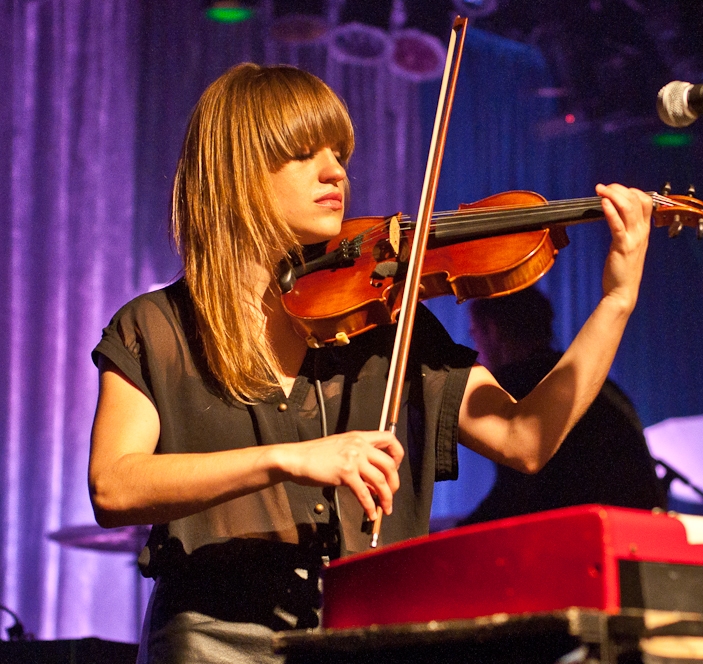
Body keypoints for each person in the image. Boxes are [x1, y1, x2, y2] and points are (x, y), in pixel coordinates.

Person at [88, 62, 651, 663]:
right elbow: (115, 485)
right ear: (237, 169)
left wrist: (616, 301)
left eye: (340, 154)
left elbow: (526, 438)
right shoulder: (157, 326)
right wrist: (291, 459)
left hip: (370, 631)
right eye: (305, 153)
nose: (336, 173)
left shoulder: (388, 318)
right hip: (216, 641)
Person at [460, 286, 664, 525]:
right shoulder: (593, 382)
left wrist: (451, 536)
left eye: (474, 335)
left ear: (492, 331)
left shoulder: (514, 383)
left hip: (585, 533)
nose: (476, 352)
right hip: (636, 530)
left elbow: (516, 496)